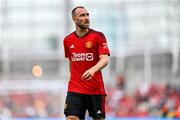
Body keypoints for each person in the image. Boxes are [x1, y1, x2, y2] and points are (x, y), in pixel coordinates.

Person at [63, 6, 110, 120]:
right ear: (74, 19)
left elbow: (105, 59)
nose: (86, 18)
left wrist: (93, 70)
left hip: (95, 90)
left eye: (87, 15)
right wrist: (74, 78)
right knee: (71, 118)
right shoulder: (67, 40)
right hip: (75, 89)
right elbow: (71, 62)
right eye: (82, 15)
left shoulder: (98, 36)